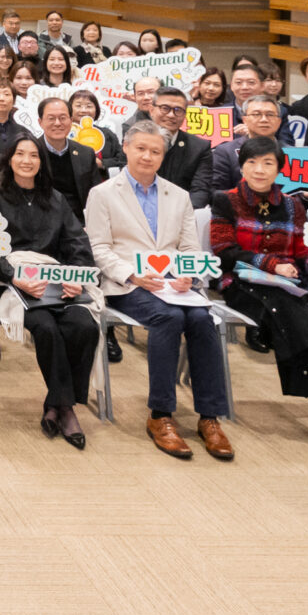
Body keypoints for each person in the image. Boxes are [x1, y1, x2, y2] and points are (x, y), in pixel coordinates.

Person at [86, 120, 234, 461]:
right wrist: (133, 275)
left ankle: (209, 417)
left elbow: (190, 248)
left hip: (172, 283)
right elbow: (98, 247)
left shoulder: (178, 195)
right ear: (125, 148)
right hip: (127, 284)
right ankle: (160, 415)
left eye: (155, 151)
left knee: (201, 318)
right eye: (141, 149)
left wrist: (190, 276)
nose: (147, 156)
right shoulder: (103, 193)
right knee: (167, 318)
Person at [209, 134, 308, 451]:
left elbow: (303, 251)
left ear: (279, 169)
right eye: (252, 162)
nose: (259, 169)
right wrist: (270, 264)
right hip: (239, 283)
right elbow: (224, 251)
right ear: (242, 167)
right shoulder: (225, 200)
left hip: (284, 288)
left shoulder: (293, 205)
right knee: (288, 306)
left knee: (285, 313)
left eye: (268, 163)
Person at [0, 137, 98, 446]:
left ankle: (55, 403)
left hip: (55, 281)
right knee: (45, 327)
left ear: (41, 162)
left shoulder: (56, 198)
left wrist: (78, 277)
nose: (26, 160)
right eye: (20, 154)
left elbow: (77, 243)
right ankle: (67, 408)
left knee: (84, 325)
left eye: (33, 155)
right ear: (10, 159)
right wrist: (14, 277)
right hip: (10, 283)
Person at [144, 90, 211, 193]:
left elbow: (200, 190)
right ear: (152, 110)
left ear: (185, 115)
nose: (171, 115)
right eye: (165, 108)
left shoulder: (199, 147)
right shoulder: (135, 141)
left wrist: (186, 209)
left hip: (184, 206)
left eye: (178, 110)